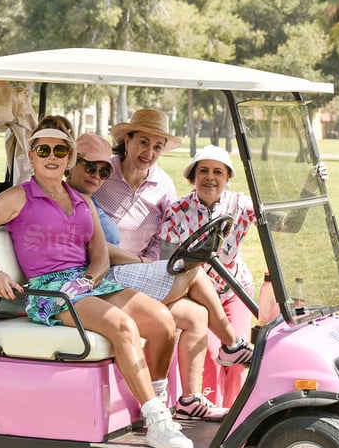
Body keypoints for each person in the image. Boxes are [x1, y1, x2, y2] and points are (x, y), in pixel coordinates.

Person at [0, 119, 193, 448]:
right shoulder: (19, 196)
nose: (51, 157)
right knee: (124, 327)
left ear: (69, 157)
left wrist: (87, 280)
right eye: (43, 150)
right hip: (48, 292)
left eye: (60, 150)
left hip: (86, 284)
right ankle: (157, 420)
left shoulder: (82, 200)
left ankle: (155, 405)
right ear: (33, 155)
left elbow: (99, 256)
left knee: (163, 322)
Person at [92, 111, 254, 412]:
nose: (149, 153)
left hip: (145, 274)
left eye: (157, 147)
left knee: (196, 316)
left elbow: (160, 243)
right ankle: (232, 344)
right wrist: (139, 261)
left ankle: (190, 401)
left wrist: (150, 265)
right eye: (143, 142)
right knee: (193, 273)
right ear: (126, 141)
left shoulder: (163, 184)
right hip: (111, 274)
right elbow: (94, 240)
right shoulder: (102, 175)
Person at [160, 145, 328, 407]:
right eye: (202, 171)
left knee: (238, 361)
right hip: (197, 296)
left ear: (227, 178)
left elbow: (290, 224)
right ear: (192, 177)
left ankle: (236, 417)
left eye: (218, 172)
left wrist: (309, 186)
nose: (209, 177)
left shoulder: (239, 204)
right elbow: (169, 263)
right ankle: (212, 416)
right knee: (212, 353)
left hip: (233, 290)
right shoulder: (176, 210)